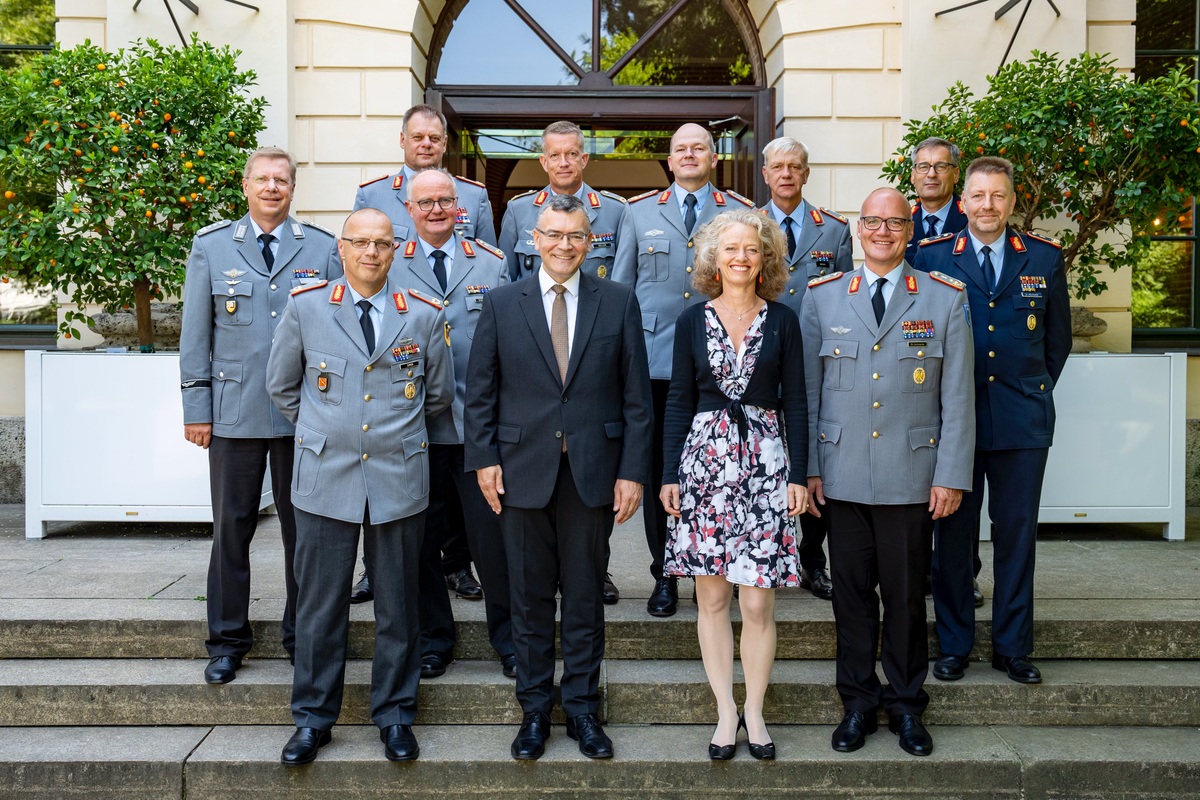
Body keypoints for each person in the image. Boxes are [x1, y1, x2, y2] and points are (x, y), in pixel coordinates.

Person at [465, 194, 652, 761]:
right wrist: (485, 458)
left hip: (592, 473)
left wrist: (632, 473)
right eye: (553, 235)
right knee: (527, 599)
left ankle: (583, 711)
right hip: (521, 473)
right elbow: (480, 393)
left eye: (575, 236)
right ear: (533, 240)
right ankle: (533, 712)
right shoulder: (501, 303)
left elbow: (637, 399)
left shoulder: (618, 302)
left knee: (585, 599)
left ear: (589, 242)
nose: (564, 245)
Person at [266, 208, 453, 766]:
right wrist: (328, 432)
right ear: (341, 250)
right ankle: (312, 719)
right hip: (327, 476)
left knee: (398, 605)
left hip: (398, 474)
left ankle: (395, 715)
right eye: (361, 243)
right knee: (320, 607)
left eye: (382, 244)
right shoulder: (306, 308)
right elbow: (282, 386)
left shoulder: (421, 313)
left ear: (394, 252)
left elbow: (436, 394)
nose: (372, 252)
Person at [801, 188, 974, 758]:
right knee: (851, 597)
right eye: (872, 221)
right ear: (857, 229)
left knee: (903, 597)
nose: (882, 232)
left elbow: (957, 397)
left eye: (894, 223)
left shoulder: (944, 298)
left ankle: (904, 706)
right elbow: (805, 393)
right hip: (841, 473)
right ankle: (856, 703)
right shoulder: (824, 296)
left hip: (912, 476)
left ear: (909, 231)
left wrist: (950, 475)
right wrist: (808, 470)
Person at [179, 146, 341, 685]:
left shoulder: (319, 248)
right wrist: (197, 409)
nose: (273, 188)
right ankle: (227, 640)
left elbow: (334, 330)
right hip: (234, 413)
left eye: (282, 181)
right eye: (263, 179)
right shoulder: (212, 245)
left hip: (304, 416)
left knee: (305, 532)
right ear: (245, 185)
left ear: (293, 190)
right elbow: (195, 337)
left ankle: (303, 635)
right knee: (231, 528)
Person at [913, 156, 1070, 686]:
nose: (987, 206)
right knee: (953, 538)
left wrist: (1026, 390)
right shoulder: (933, 255)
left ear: (1012, 201)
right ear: (963, 202)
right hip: (954, 422)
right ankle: (954, 644)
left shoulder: (1044, 259)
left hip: (1022, 422)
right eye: (978, 196)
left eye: (998, 196)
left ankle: (1013, 647)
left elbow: (1057, 343)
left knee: (1017, 536)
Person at [659, 209, 808, 761]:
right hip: (705, 466)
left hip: (766, 464)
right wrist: (669, 473)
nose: (741, 258)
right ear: (713, 261)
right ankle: (725, 710)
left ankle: (755, 711)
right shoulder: (691, 321)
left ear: (765, 259)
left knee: (759, 602)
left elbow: (796, 400)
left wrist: (797, 476)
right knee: (713, 596)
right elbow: (678, 399)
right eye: (730, 250)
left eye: (751, 249)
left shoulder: (785, 320)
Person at [350, 103, 493, 606]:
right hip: (404, 391)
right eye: (418, 137)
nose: (427, 144)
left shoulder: (473, 196)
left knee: (465, 502)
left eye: (435, 137)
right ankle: (381, 572)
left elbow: (487, 277)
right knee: (404, 501)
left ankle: (460, 564)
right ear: (403, 140)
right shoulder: (373, 196)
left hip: (468, 387)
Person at [612, 122, 754, 617]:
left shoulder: (740, 212)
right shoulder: (637, 213)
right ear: (669, 162)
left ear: (714, 158)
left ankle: (718, 571)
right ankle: (666, 575)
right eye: (680, 150)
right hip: (654, 364)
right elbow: (623, 294)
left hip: (720, 363)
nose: (689, 155)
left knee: (723, 473)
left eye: (699, 148)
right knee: (661, 473)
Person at [391, 168, 515, 681]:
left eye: (445, 201)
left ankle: (510, 640)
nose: (437, 209)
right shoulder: (388, 263)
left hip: (475, 430)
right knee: (418, 544)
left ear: (459, 207)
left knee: (495, 544)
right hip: (412, 429)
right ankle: (434, 642)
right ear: (409, 208)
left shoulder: (490, 263)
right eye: (426, 202)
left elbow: (511, 346)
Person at [759, 135, 853, 602]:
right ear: (765, 174)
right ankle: (765, 552)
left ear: (806, 173)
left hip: (818, 361)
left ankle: (812, 560)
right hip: (759, 359)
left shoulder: (833, 231)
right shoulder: (745, 225)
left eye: (795, 166)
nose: (786, 174)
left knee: (815, 459)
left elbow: (848, 298)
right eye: (778, 166)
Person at [498, 120, 630, 285]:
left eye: (571, 154)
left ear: (584, 160)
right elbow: (504, 278)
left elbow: (623, 280)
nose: (563, 163)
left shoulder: (616, 211)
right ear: (544, 162)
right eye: (554, 155)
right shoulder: (518, 211)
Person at [904, 136, 968, 266]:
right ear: (913, 176)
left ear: (955, 174)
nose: (931, 174)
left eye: (941, 166)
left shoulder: (972, 219)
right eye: (923, 167)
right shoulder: (902, 223)